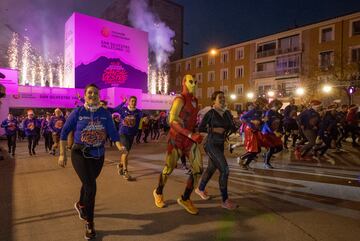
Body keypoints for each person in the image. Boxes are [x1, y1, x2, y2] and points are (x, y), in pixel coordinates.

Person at [58, 83, 126, 240]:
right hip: (79, 154)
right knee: (91, 187)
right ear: (85, 95)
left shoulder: (104, 113)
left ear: (99, 96)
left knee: (88, 184)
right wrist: (62, 154)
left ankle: (81, 205)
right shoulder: (78, 112)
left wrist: (119, 145)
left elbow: (113, 133)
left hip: (98, 155)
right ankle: (90, 223)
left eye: (96, 93)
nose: (93, 95)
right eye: (90, 93)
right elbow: (64, 132)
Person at [153, 74, 204, 215]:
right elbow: (172, 121)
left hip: (190, 140)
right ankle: (158, 192)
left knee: (198, 169)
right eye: (190, 82)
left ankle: (185, 198)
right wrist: (190, 134)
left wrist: (196, 133)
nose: (193, 84)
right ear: (184, 82)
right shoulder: (179, 99)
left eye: (195, 82)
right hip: (177, 139)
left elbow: (192, 120)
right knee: (169, 168)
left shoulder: (195, 100)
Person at [195, 91, 238, 210]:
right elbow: (201, 128)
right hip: (211, 143)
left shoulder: (228, 113)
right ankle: (225, 200)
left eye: (224, 97)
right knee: (225, 170)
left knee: (211, 168)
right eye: (220, 98)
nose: (223, 99)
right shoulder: (211, 113)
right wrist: (214, 130)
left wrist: (237, 125)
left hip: (220, 144)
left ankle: (200, 189)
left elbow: (232, 128)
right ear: (214, 101)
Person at [116, 96, 142, 180]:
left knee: (126, 152)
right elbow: (115, 109)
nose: (133, 102)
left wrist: (148, 118)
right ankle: (125, 171)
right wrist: (123, 102)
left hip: (131, 135)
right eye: (132, 101)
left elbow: (145, 117)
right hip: (123, 133)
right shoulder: (123, 109)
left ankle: (120, 164)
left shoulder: (138, 112)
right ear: (129, 102)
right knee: (126, 152)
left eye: (135, 101)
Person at [239, 97, 268, 170]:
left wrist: (263, 121)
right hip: (250, 130)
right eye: (263, 104)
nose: (264, 106)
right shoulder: (253, 110)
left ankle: (243, 160)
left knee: (258, 150)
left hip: (256, 131)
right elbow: (242, 118)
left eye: (265, 104)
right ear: (259, 104)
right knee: (254, 150)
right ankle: (243, 161)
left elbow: (259, 122)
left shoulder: (261, 112)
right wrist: (252, 121)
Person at [261, 99, 284, 168]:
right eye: (278, 107)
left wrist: (281, 132)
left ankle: (266, 154)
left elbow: (280, 123)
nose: (279, 108)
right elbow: (267, 123)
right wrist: (273, 132)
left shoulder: (278, 114)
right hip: (267, 132)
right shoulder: (268, 112)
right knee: (272, 147)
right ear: (274, 105)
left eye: (280, 107)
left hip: (275, 132)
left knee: (280, 147)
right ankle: (266, 163)